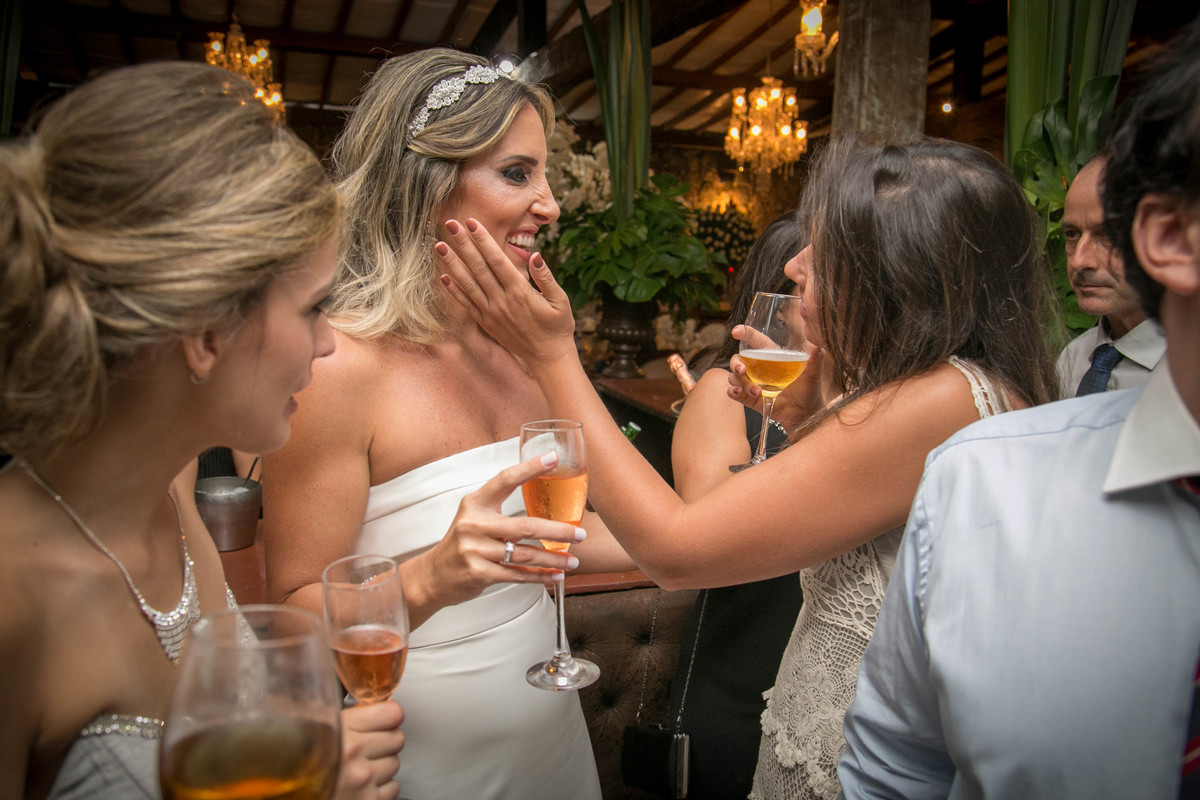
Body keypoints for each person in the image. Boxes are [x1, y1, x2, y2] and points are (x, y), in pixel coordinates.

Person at [438, 136, 1060, 799]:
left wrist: (551, 356)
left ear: (899, 272)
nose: (794, 264)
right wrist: (802, 421)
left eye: (829, 249)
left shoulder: (942, 395)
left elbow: (678, 550)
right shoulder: (948, 390)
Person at [0, 62, 408, 800]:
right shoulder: (11, 598)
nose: (326, 345)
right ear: (209, 332)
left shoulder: (175, 497)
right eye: (314, 308)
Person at [838, 18, 1200, 799]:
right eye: (1068, 235)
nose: (1079, 258)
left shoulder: (947, 407)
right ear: (1171, 236)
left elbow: (689, 540)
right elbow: (897, 769)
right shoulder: (990, 479)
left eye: (835, 255)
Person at [262, 48, 629, 800]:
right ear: (427, 184)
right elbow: (291, 614)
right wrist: (432, 576)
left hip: (553, 737)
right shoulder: (340, 365)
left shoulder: (525, 351)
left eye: (545, 175)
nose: (551, 204)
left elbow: (561, 535)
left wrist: (700, 541)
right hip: (416, 758)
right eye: (519, 173)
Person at [665, 210, 807, 799]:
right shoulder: (723, 393)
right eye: (795, 288)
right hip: (740, 673)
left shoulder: (871, 406)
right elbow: (699, 539)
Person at [1056, 153, 1165, 397]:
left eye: (1108, 235)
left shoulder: (1187, 370)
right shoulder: (1074, 358)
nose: (1079, 261)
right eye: (1072, 234)